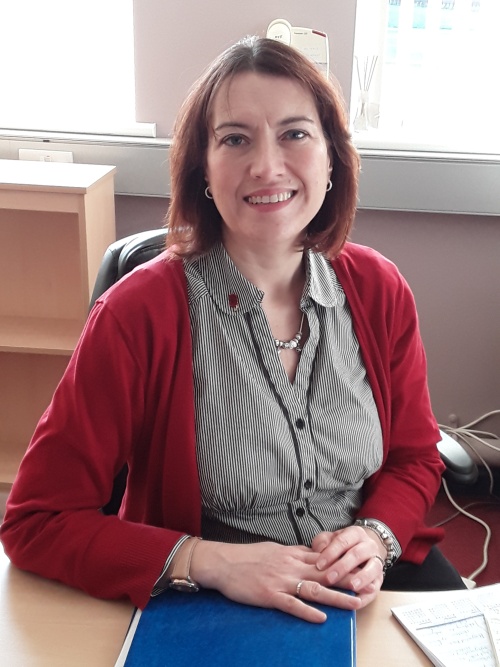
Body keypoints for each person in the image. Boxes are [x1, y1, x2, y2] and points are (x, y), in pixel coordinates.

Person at [0, 36, 465, 623]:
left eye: (295, 133)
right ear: (203, 167)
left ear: (331, 158)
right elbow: (36, 521)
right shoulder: (136, 313)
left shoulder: (379, 289)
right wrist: (207, 560)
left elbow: (414, 458)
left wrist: (375, 536)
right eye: (235, 139)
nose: (267, 166)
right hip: (211, 598)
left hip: (371, 582)